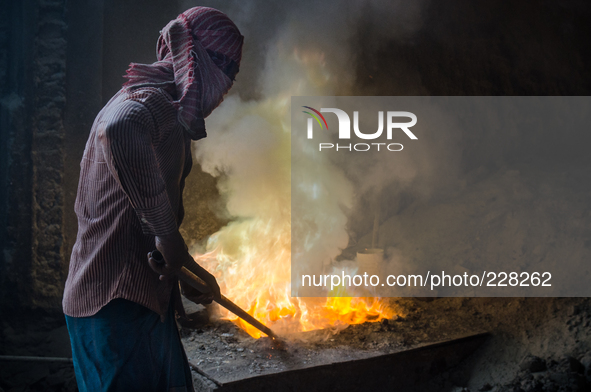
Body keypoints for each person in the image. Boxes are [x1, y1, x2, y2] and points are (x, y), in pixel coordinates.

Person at [62, 7, 243, 392]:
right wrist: (168, 233)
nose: (226, 84)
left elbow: (137, 220)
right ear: (197, 59)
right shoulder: (153, 101)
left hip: (141, 303)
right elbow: (120, 129)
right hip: (114, 306)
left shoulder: (160, 102)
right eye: (225, 66)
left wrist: (188, 269)